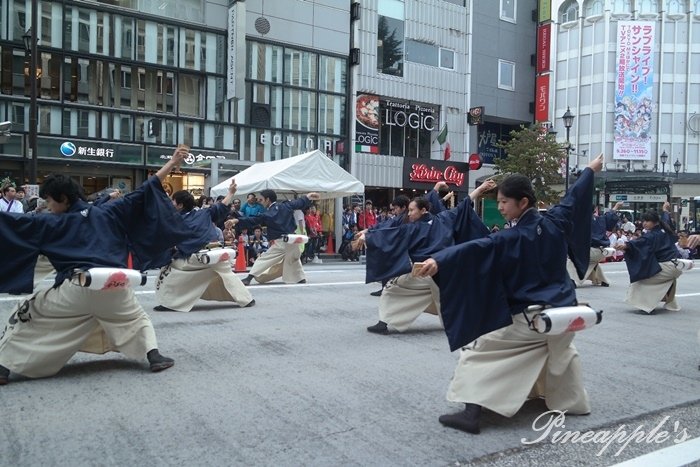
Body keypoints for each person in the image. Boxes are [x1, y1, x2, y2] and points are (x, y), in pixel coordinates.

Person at [416, 154, 603, 434]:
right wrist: (589, 170)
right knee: (562, 351)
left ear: (523, 202)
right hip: (565, 312)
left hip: (532, 319)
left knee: (477, 349)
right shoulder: (555, 221)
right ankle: (572, 402)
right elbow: (573, 198)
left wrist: (439, 260)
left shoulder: (510, 237)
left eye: (504, 202)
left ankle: (471, 413)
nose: (500, 207)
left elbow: (475, 248)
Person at [0, 147, 193, 385]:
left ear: (63, 199)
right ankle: (154, 356)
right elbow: (146, 189)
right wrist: (172, 162)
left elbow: (11, 224)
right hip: (116, 286)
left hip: (75, 289)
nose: (48, 206)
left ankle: (3, 367)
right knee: (136, 318)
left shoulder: (48, 223)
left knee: (29, 312)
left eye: (49, 200)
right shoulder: (109, 211)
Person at [359, 180, 496, 335]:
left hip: (428, 272)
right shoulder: (444, 218)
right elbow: (464, 204)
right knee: (444, 301)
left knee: (392, 288)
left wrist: (368, 236)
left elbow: (389, 235)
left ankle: (383, 322)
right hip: (444, 274)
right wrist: (480, 188)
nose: (409, 214)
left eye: (411, 210)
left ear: (423, 210)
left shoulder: (414, 228)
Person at [153, 181, 255, 312]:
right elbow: (222, 206)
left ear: (179, 205)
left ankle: (171, 304)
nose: (171, 204)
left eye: (173, 202)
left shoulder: (176, 221)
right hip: (218, 252)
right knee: (226, 273)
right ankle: (246, 299)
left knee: (169, 271)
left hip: (197, 258)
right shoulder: (204, 213)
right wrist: (231, 193)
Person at [235, 187, 320, 285]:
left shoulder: (267, 214)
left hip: (281, 241)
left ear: (267, 199)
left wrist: (237, 220)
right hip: (293, 239)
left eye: (261, 199)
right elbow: (299, 202)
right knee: (293, 259)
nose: (260, 202)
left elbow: (253, 220)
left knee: (265, 258)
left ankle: (249, 278)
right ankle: (300, 278)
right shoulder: (286, 205)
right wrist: (308, 196)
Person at [615, 211, 682, 313]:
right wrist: (665, 210)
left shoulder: (651, 235)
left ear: (655, 222)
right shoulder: (665, 229)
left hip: (667, 266)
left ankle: (646, 305)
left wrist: (626, 246)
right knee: (653, 273)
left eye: (647, 221)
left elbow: (639, 243)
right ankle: (669, 301)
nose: (644, 223)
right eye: (643, 221)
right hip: (677, 266)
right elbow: (666, 219)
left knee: (641, 279)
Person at [566, 202, 623, 288]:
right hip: (602, 251)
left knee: (572, 260)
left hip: (591, 250)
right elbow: (610, 216)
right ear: (594, 210)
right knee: (592, 262)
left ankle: (571, 280)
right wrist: (616, 206)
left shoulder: (581, 221)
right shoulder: (601, 219)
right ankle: (604, 280)